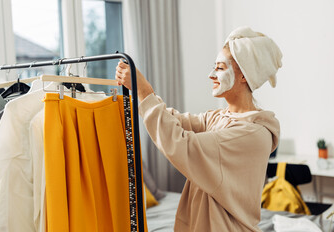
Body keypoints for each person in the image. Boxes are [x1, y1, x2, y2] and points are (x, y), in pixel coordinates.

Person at [116, 26, 282, 231]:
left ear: (244, 76)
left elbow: (182, 144)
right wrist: (143, 95)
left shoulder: (252, 134)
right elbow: (174, 120)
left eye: (220, 68)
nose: (211, 74)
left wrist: (145, 92)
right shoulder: (219, 117)